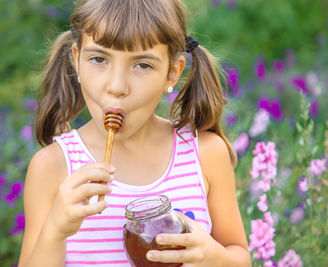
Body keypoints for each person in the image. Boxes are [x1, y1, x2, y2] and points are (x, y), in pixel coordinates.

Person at [18, 0, 251, 266]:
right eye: (98, 59)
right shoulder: (52, 167)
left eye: (142, 65)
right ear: (76, 60)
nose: (117, 86)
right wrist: (55, 230)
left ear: (172, 73)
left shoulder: (204, 154)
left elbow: (239, 257)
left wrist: (212, 256)